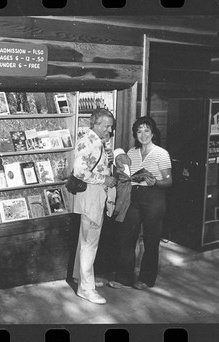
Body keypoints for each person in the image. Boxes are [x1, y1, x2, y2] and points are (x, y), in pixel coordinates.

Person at [109, 116, 172, 290]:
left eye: (146, 130)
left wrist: (156, 182)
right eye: (139, 131)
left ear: (153, 133)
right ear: (135, 134)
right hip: (133, 197)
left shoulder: (161, 153)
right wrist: (121, 176)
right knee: (126, 237)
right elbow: (125, 175)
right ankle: (124, 278)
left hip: (154, 198)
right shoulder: (131, 152)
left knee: (151, 240)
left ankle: (146, 279)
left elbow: (169, 181)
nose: (143, 134)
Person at [71, 108, 117, 304]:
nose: (109, 130)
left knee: (86, 241)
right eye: (106, 126)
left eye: (111, 126)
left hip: (95, 196)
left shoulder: (97, 141)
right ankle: (86, 289)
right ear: (95, 124)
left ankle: (81, 278)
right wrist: (105, 179)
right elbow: (79, 172)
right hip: (91, 197)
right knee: (90, 243)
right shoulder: (87, 141)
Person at [112, 148, 132, 222]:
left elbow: (125, 172)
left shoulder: (120, 157)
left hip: (124, 184)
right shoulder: (122, 157)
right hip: (125, 184)